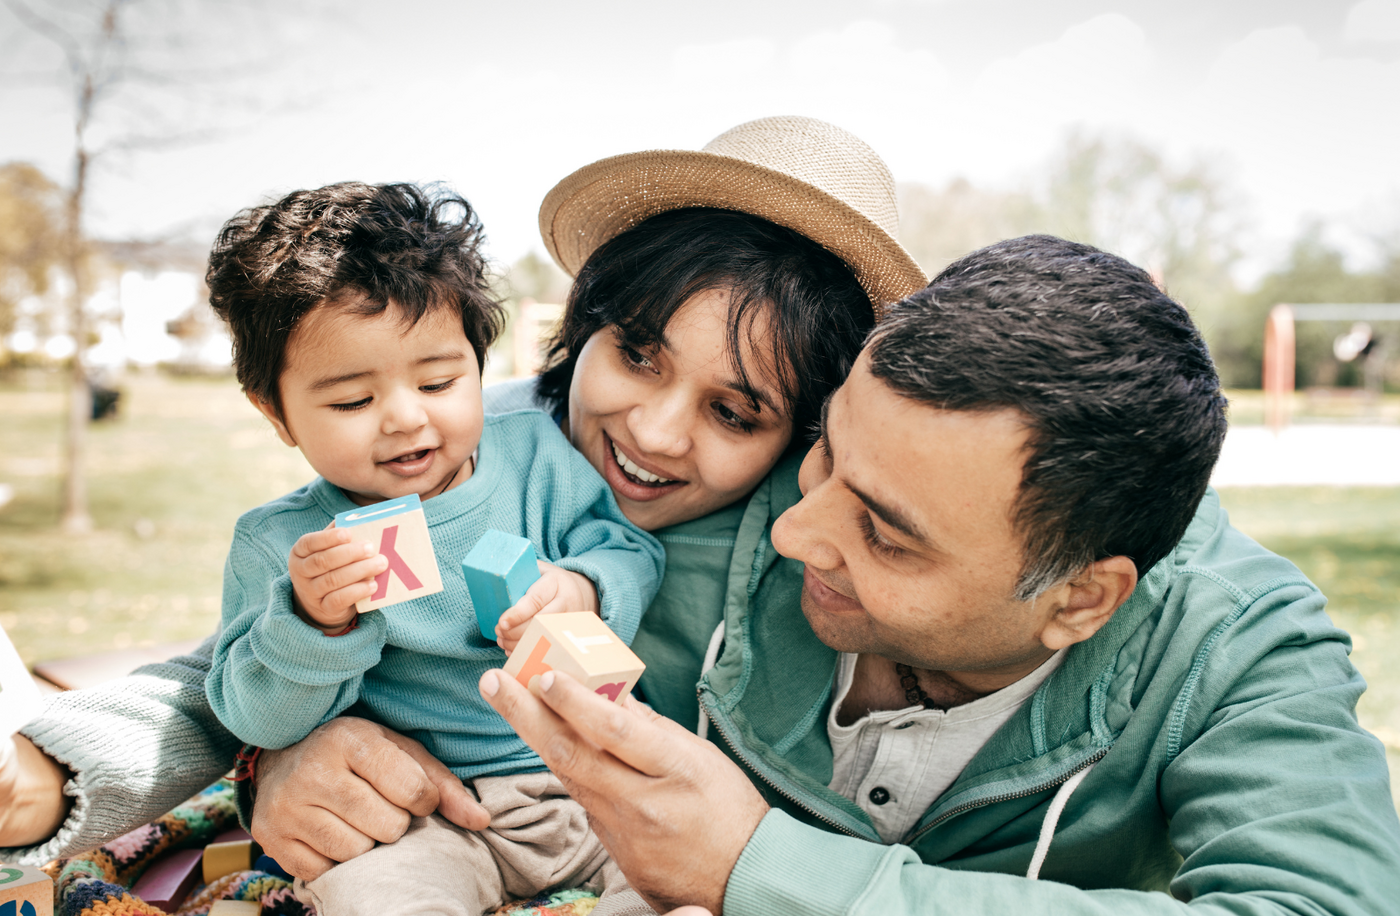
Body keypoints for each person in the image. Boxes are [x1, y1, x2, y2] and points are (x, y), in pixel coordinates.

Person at [0, 117, 928, 881]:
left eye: (733, 410)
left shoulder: (826, 547)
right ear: (582, 325)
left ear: (810, 428)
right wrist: (93, 768)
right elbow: (228, 673)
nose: (652, 433)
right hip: (447, 831)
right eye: (636, 353)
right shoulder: (483, 441)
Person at [479, 235, 1400, 916]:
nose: (797, 530)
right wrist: (343, 737)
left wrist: (762, 868)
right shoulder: (701, 482)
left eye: (884, 535)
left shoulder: (1234, 644)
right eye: (825, 453)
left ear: (1080, 598)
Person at [200, 180, 667, 916]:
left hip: (596, 773)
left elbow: (630, 551)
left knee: (680, 870)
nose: (405, 419)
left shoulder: (536, 458)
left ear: (480, 365)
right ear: (277, 413)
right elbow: (254, 719)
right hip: (431, 817)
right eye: (353, 401)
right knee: (374, 895)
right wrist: (314, 624)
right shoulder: (281, 545)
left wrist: (582, 590)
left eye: (440, 380)